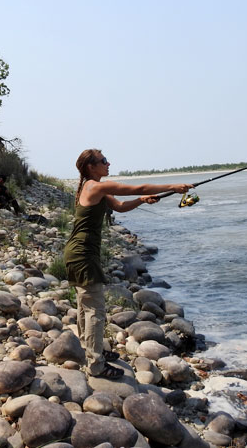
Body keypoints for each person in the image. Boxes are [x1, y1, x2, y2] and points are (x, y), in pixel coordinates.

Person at [64, 149, 192, 378]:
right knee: (94, 309)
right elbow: (139, 187)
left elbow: (121, 206)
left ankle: (89, 350)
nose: (108, 162)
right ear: (91, 167)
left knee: (86, 305)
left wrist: (141, 201)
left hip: (79, 253)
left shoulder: (93, 188)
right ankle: (95, 365)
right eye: (103, 161)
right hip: (82, 253)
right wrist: (172, 186)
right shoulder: (96, 186)